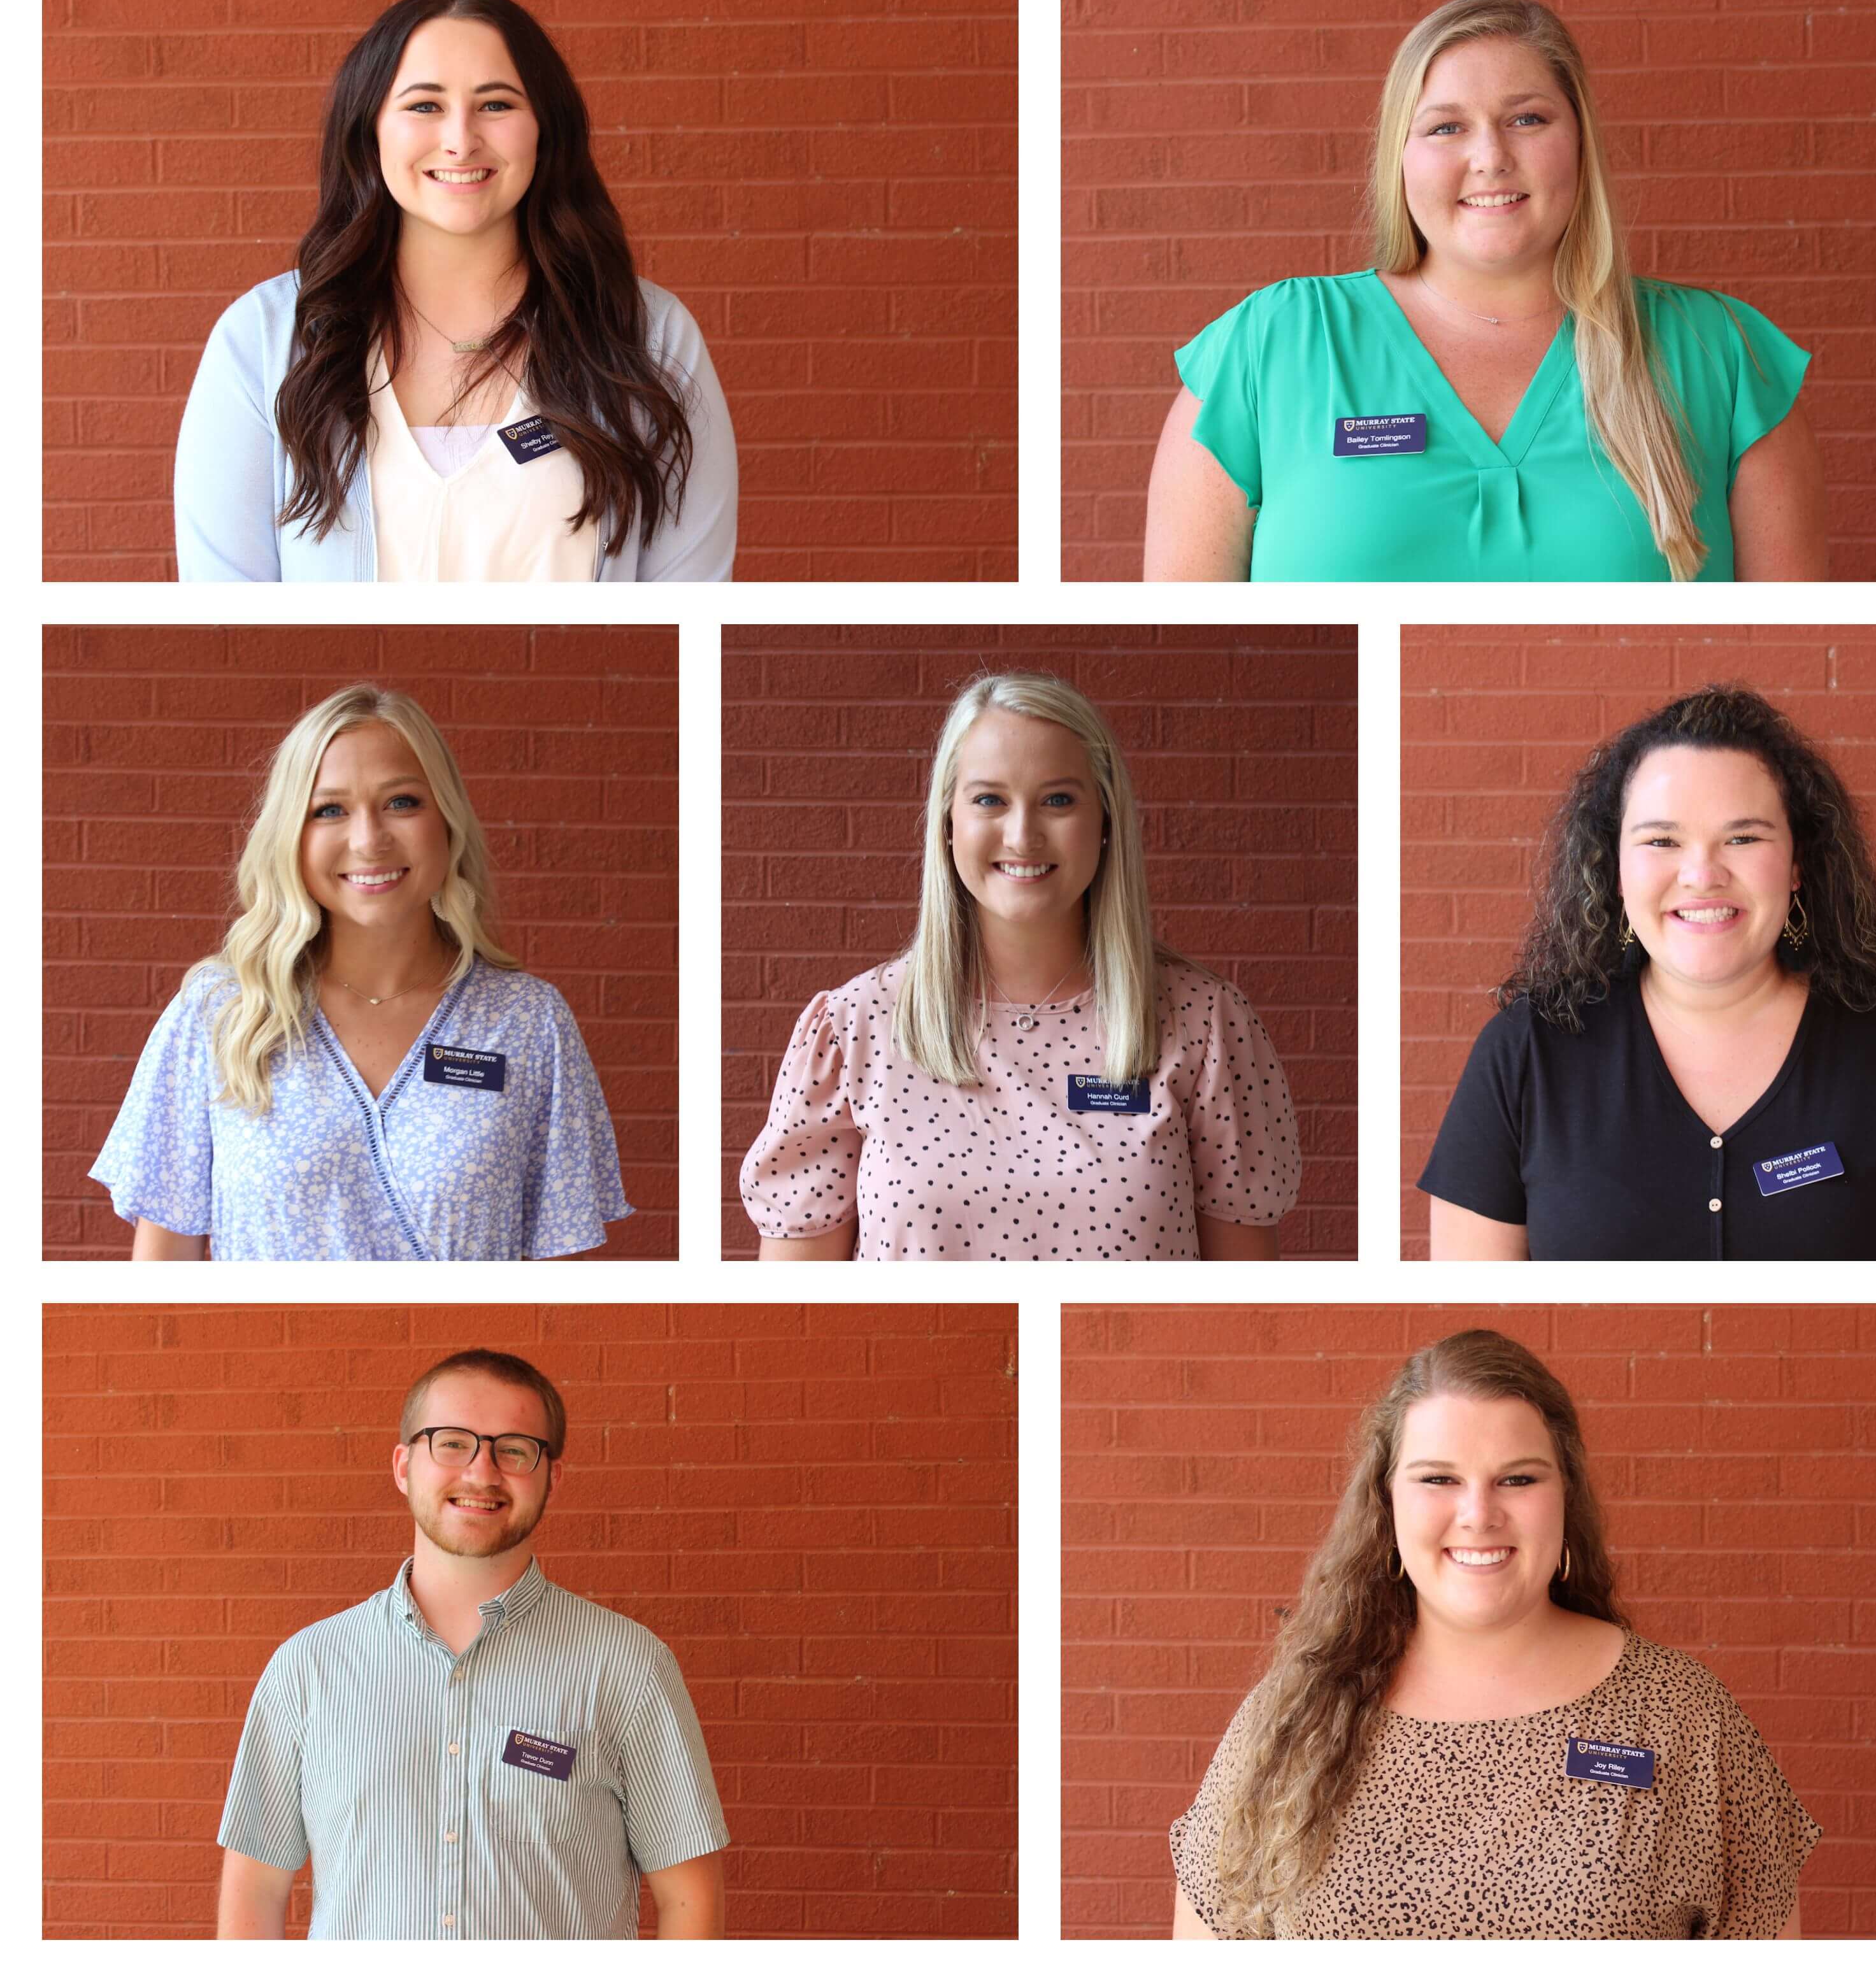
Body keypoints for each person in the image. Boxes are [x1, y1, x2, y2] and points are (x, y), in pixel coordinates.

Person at [1144, 0, 1826, 583]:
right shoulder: (1270, 347)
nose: (1491, 157)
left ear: (1580, 141)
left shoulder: (1721, 356)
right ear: (1399, 159)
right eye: (1446, 127)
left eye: (1527, 118)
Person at [1170, 1330, 1820, 1939]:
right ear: (1385, 1502)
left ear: (1566, 1497)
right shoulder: (1295, 1718)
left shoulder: (1681, 1715)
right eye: (1438, 1479)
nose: (1479, 1514)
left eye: (1518, 1478)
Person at [1419, 685, 1876, 1260]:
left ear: (1798, 863)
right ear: (1616, 869)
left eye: (1743, 837)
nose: (1702, 874)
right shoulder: (1526, 1053)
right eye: (1663, 840)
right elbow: (1480, 1311)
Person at [173, 0, 736, 581]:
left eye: (496, 105)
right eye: (424, 107)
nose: (461, 140)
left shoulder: (649, 336)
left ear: (546, 128)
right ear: (371, 132)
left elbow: (691, 599)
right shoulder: (263, 342)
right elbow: (224, 593)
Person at [740, 669, 1301, 1259]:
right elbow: (803, 1302)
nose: (1023, 834)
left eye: (1058, 800)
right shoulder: (854, 1028)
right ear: (948, 821)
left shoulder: (1203, 1024)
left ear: (1106, 822)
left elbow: (1235, 1291)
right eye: (989, 800)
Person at [90, 683, 631, 1260]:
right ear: (290, 838)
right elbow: (165, 1260)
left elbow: (559, 1266)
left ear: (446, 822)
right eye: (329, 811)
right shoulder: (222, 1011)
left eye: (402, 802)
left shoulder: (527, 1021)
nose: (369, 839)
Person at [215, 1350, 727, 1939]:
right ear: (404, 1465)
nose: (483, 1474)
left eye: (514, 1449)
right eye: (452, 1443)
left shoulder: (629, 1669)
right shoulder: (308, 1669)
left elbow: (691, 1896)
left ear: (551, 1478)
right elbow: (255, 1888)